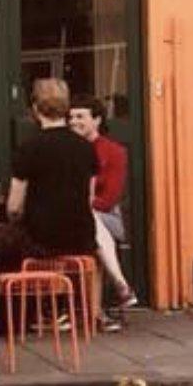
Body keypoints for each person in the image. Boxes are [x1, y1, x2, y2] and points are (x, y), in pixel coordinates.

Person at [0, 78, 98, 269]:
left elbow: (14, 208)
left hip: (41, 241)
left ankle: (14, 287)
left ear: (35, 108)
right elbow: (89, 199)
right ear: (66, 107)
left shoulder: (29, 148)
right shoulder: (86, 148)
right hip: (81, 239)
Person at [66, 95, 138, 327]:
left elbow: (109, 198)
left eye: (80, 116)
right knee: (92, 238)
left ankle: (91, 311)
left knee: (90, 223)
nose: (73, 122)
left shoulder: (114, 152)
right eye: (71, 117)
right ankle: (119, 288)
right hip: (75, 219)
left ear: (97, 120)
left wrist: (83, 206)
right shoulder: (65, 150)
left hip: (106, 216)